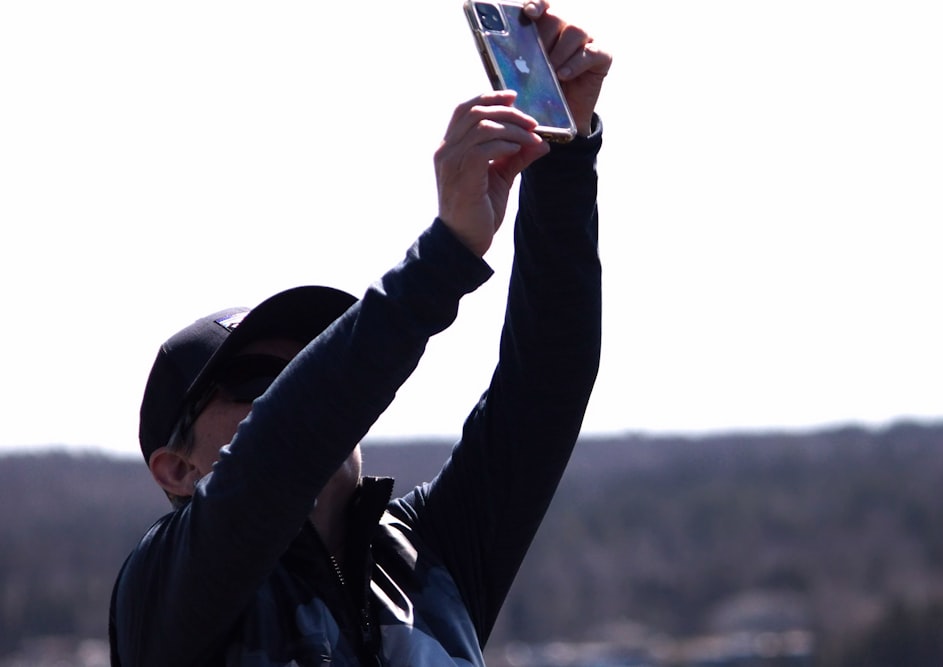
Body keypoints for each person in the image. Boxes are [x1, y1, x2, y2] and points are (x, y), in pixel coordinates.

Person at [109, 2, 611, 664]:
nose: (302, 389)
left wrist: (562, 159)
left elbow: (547, 380)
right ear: (178, 468)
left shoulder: (430, 555)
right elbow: (282, 447)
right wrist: (447, 253)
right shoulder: (168, 588)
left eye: (315, 358)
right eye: (267, 381)